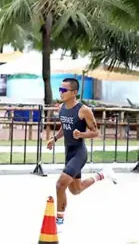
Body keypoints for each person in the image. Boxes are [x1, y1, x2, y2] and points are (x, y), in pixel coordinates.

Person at [47, 78, 117, 231]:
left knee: (60, 185)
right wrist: (54, 138)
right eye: (60, 89)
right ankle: (103, 174)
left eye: (64, 90)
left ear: (74, 92)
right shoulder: (62, 108)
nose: (61, 92)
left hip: (79, 153)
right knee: (75, 190)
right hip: (68, 153)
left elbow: (96, 132)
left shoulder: (84, 110)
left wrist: (81, 135)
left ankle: (59, 221)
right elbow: (64, 126)